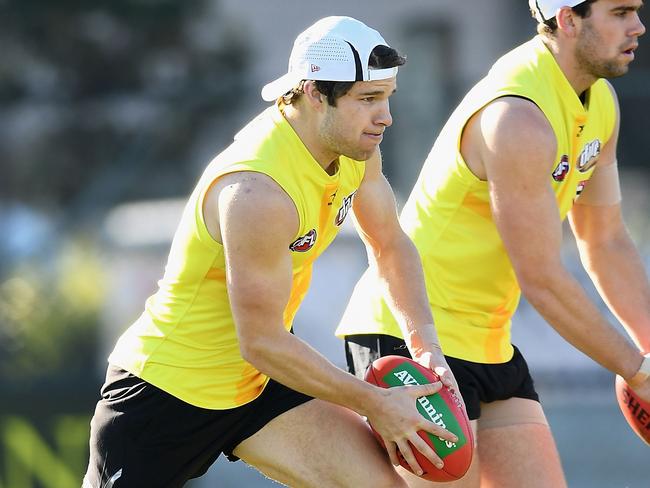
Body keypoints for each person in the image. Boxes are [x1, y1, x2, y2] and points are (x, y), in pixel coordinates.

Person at [83, 16, 464, 488]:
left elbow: (389, 244)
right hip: (166, 393)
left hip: (257, 385)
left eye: (386, 97)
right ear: (312, 92)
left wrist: (425, 345)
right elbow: (261, 341)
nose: (384, 116)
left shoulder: (354, 149)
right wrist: (374, 404)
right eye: (367, 99)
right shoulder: (257, 192)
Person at [337, 1, 650, 486]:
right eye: (620, 12)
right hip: (410, 337)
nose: (638, 25)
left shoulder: (599, 101)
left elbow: (605, 241)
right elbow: (542, 279)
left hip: (488, 342)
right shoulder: (517, 117)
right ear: (568, 20)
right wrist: (638, 372)